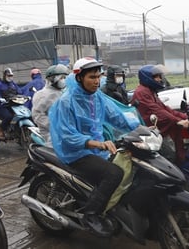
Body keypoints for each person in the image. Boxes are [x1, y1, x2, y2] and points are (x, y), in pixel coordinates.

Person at [49, 57, 140, 236]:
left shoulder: (96, 96)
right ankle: (90, 214)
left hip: (97, 147)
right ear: (79, 78)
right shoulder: (66, 101)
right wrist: (98, 144)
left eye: (98, 76)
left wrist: (140, 127)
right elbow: (68, 136)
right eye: (92, 77)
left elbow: (116, 116)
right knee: (114, 173)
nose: (97, 81)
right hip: (76, 152)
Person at [131, 65, 189, 164]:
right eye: (156, 77)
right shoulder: (142, 92)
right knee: (169, 156)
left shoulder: (150, 91)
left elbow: (164, 108)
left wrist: (183, 116)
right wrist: (177, 121)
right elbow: (157, 111)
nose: (159, 79)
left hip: (156, 130)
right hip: (151, 132)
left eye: (159, 76)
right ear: (147, 78)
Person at [31, 64, 69, 145]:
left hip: (67, 131)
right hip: (51, 134)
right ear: (52, 79)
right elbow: (38, 116)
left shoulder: (64, 92)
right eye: (61, 78)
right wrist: (56, 125)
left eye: (65, 78)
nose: (64, 80)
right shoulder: (42, 95)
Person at [0, 68, 22, 139]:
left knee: (21, 115)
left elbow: (20, 92)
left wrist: (24, 96)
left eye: (11, 76)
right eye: (8, 75)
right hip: (2, 106)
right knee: (9, 117)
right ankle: (1, 130)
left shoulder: (13, 84)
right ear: (4, 76)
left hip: (13, 105)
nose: (10, 77)